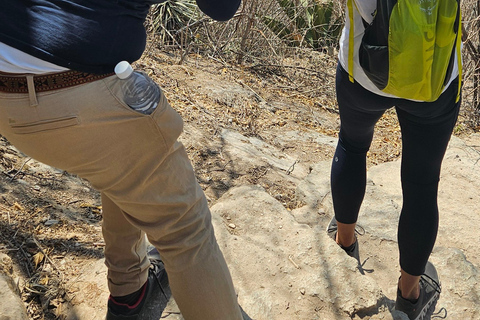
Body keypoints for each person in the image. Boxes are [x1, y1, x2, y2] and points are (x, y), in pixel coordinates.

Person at [0, 1, 246, 319]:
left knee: (125, 153)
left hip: (7, 94)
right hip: (75, 87)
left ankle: (129, 290)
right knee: (185, 232)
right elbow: (221, 7)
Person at [327, 0, 462, 319]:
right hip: (435, 80)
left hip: (362, 72)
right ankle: (410, 295)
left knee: (352, 144)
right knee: (421, 184)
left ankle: (345, 243)